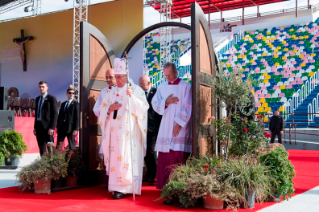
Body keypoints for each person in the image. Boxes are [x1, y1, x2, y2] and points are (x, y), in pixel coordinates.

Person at [98, 58, 149, 199]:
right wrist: (109, 108)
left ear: (126, 76)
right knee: (116, 158)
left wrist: (132, 98)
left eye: (119, 77)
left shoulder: (135, 90)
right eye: (116, 77)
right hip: (114, 132)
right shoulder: (111, 92)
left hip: (129, 133)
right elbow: (102, 110)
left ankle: (127, 188)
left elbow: (144, 109)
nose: (117, 80)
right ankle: (115, 187)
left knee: (126, 157)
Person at [152, 62, 192, 189]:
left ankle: (179, 187)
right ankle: (165, 186)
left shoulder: (186, 86)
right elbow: (155, 104)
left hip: (180, 126)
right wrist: (165, 102)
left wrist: (179, 124)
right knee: (165, 154)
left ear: (176, 72)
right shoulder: (162, 87)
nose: (168, 78)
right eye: (166, 75)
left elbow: (188, 107)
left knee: (177, 154)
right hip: (166, 124)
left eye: (170, 75)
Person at [139, 75, 162, 184]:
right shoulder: (138, 93)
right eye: (140, 83)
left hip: (153, 127)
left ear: (148, 83)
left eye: (142, 83)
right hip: (141, 127)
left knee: (151, 151)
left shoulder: (156, 92)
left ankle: (153, 175)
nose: (140, 85)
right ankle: (148, 174)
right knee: (144, 151)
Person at [33, 81, 58, 156]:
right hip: (39, 125)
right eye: (40, 87)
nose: (41, 88)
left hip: (47, 126)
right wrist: (35, 127)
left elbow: (55, 114)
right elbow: (37, 114)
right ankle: (43, 163)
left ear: (47, 88)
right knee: (41, 145)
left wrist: (52, 127)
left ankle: (52, 162)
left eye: (43, 87)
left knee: (50, 145)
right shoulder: (37, 99)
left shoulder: (51, 98)